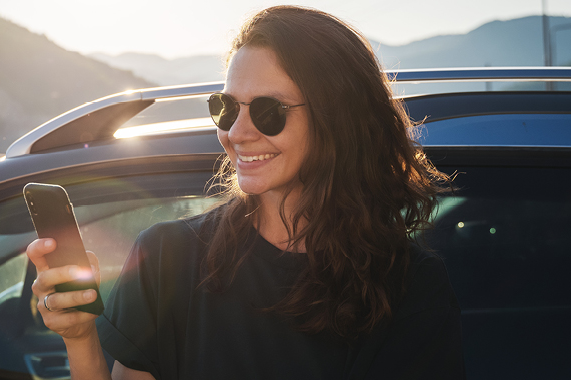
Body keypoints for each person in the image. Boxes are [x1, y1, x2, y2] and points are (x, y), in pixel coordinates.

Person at [26, 6, 465, 380]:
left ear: (338, 120)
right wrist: (80, 338)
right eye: (226, 107)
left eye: (269, 111)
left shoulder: (409, 287)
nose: (237, 132)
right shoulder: (167, 258)